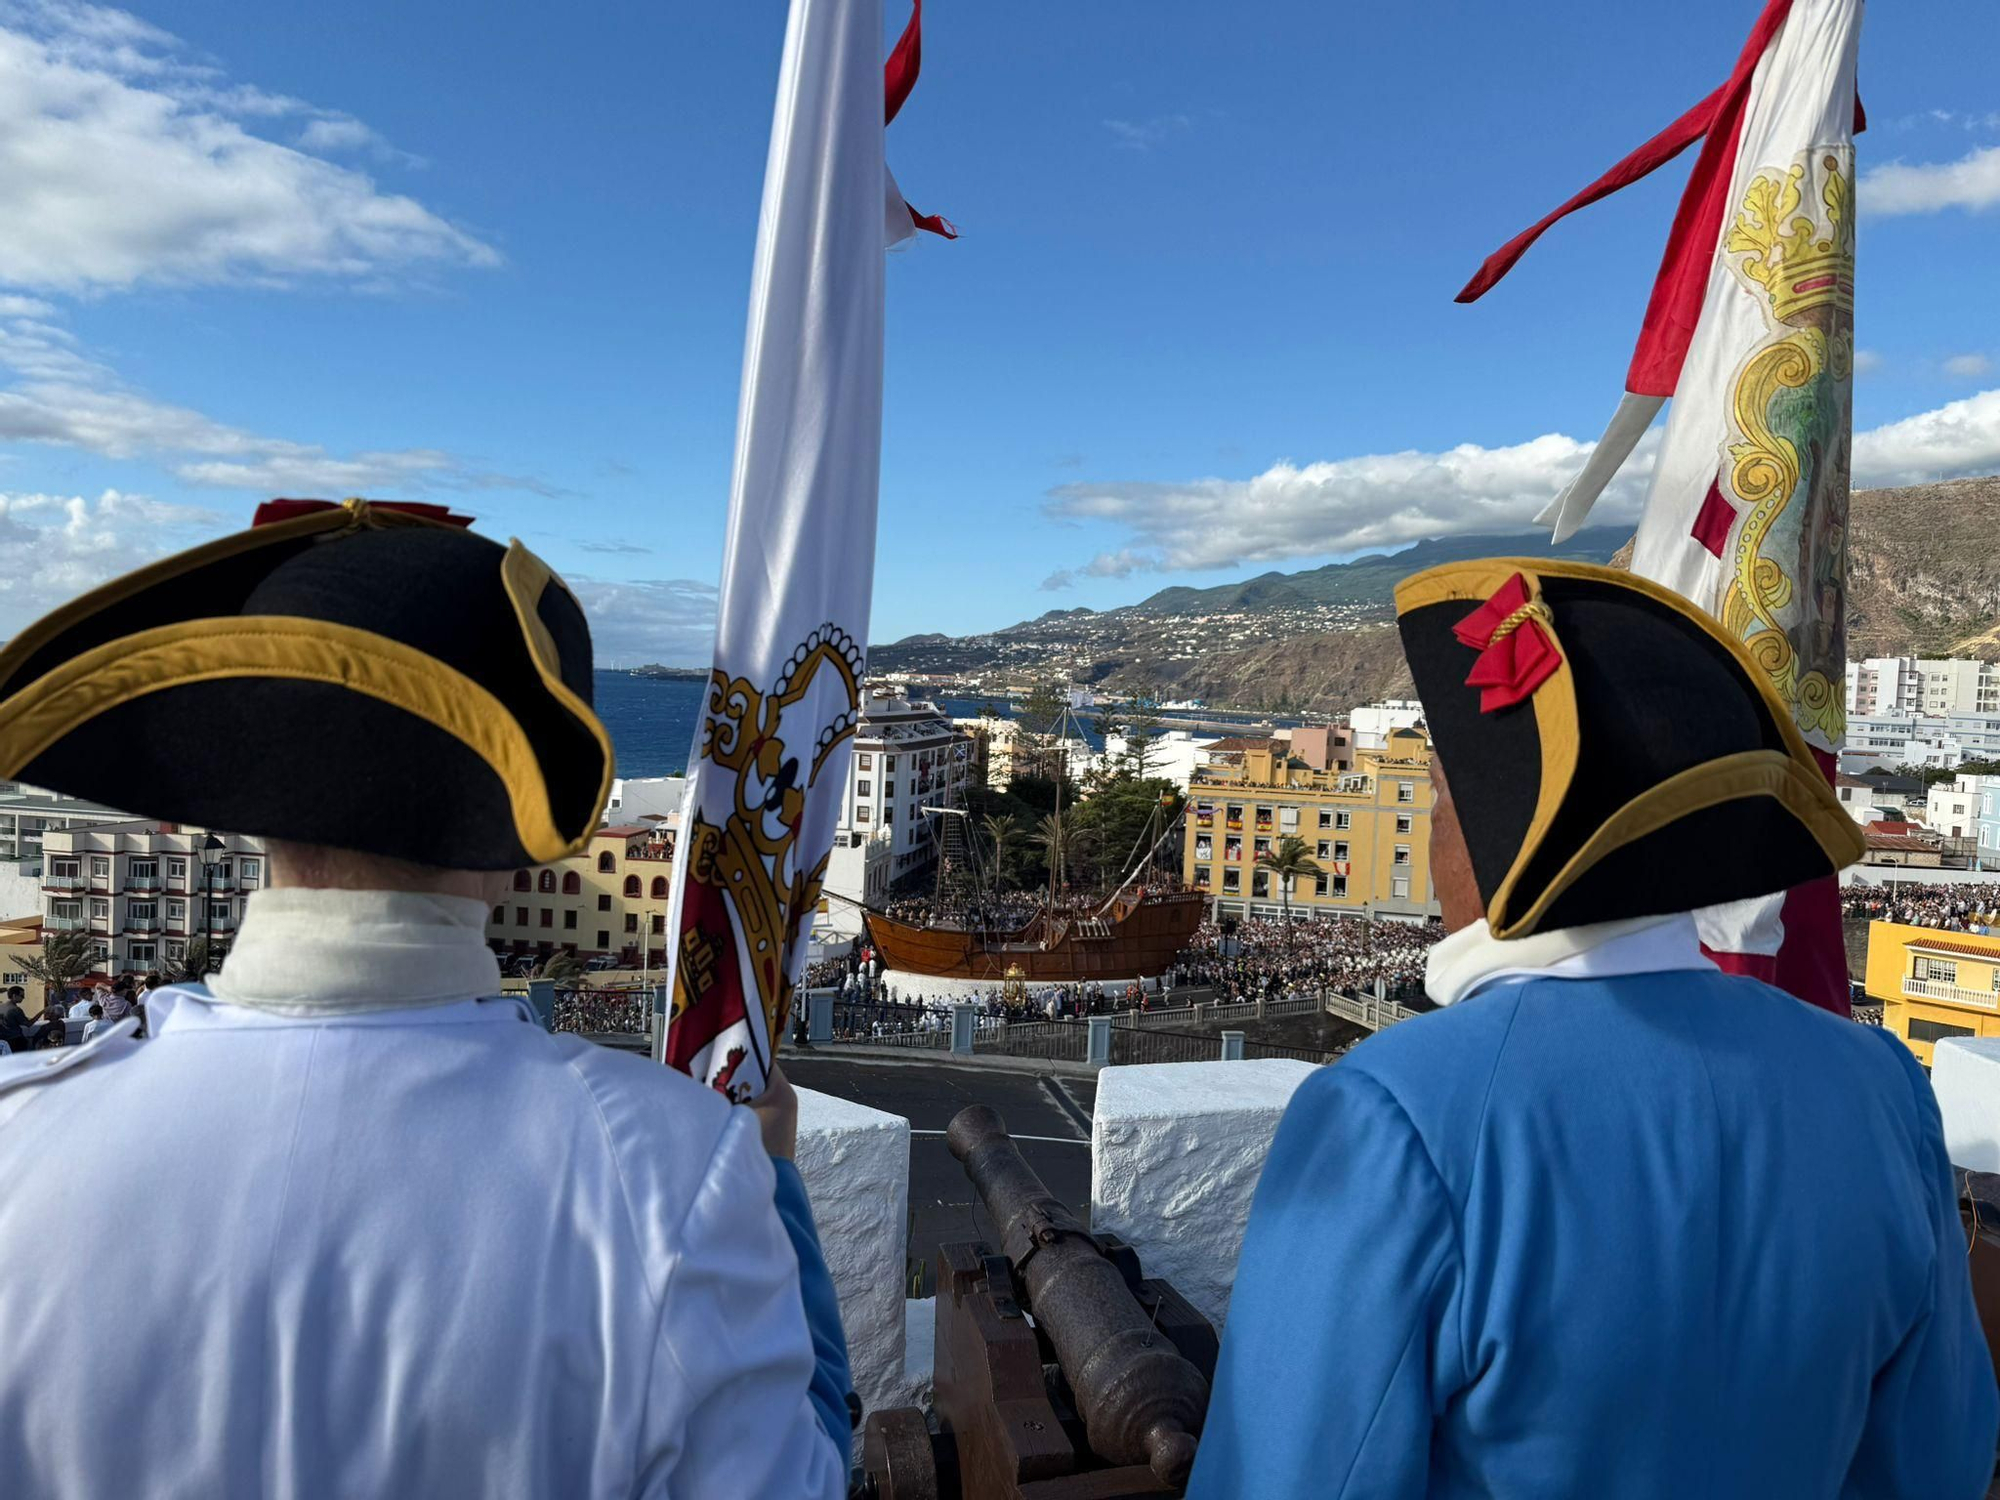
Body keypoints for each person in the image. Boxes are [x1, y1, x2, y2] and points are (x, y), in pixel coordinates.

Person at [0, 500, 851, 1498]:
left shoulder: (19, 1144)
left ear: (243, 809)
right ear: (515, 840)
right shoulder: (671, 1174)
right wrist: (773, 1184)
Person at [1190, 559, 1997, 1499]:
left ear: (1500, 833)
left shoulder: (1392, 1115)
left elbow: (1293, 1477)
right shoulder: (1879, 1084)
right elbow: (1937, 1461)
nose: (1430, 834)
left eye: (1442, 804)